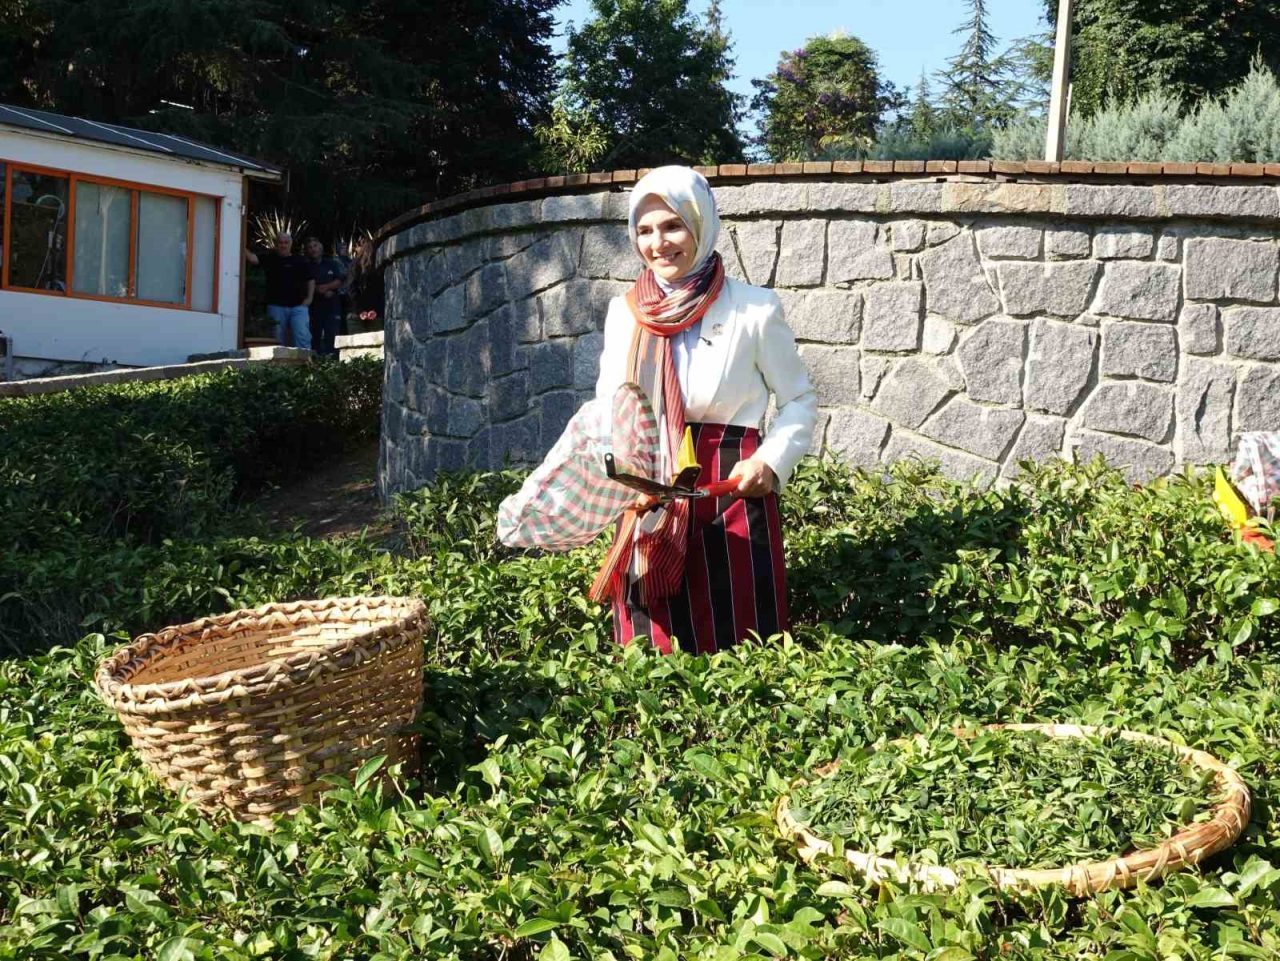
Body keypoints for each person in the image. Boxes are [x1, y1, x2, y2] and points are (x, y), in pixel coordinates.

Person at [591, 166, 817, 655]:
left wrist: (771, 462)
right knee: (651, 641)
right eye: (645, 230)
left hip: (731, 488)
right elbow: (611, 405)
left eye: (673, 226)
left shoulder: (754, 310)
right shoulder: (624, 313)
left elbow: (799, 399)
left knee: (738, 633)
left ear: (701, 224)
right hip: (648, 489)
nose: (658, 243)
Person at [245, 232, 313, 350]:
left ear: (291, 244)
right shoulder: (270, 258)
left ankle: (306, 366)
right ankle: (279, 367)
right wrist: (238, 241)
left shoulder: (300, 260)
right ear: (276, 244)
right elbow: (252, 258)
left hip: (298, 307)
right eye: (281, 243)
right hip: (276, 306)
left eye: (286, 243)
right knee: (276, 342)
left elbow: (310, 280)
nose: (283, 245)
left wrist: (309, 299)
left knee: (303, 338)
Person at [303, 237, 346, 357]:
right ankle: (316, 360)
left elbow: (339, 280)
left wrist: (326, 287)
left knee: (332, 334)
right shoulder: (306, 265)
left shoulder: (331, 263)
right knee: (315, 335)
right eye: (310, 247)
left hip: (332, 305)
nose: (313, 249)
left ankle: (334, 359)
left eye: (315, 246)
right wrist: (318, 290)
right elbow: (305, 283)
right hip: (314, 306)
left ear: (320, 248)